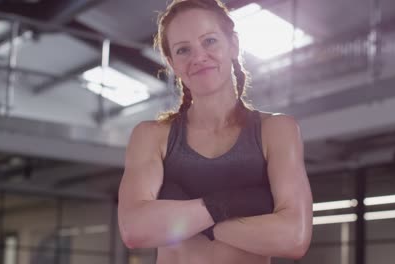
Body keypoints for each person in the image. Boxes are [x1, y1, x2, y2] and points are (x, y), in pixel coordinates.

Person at [117, 0, 313, 263]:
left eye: (209, 41)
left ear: (233, 44)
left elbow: (294, 239)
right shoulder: (152, 136)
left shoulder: (276, 130)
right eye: (183, 49)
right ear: (172, 62)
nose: (198, 57)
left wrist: (187, 220)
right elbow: (134, 231)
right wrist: (235, 204)